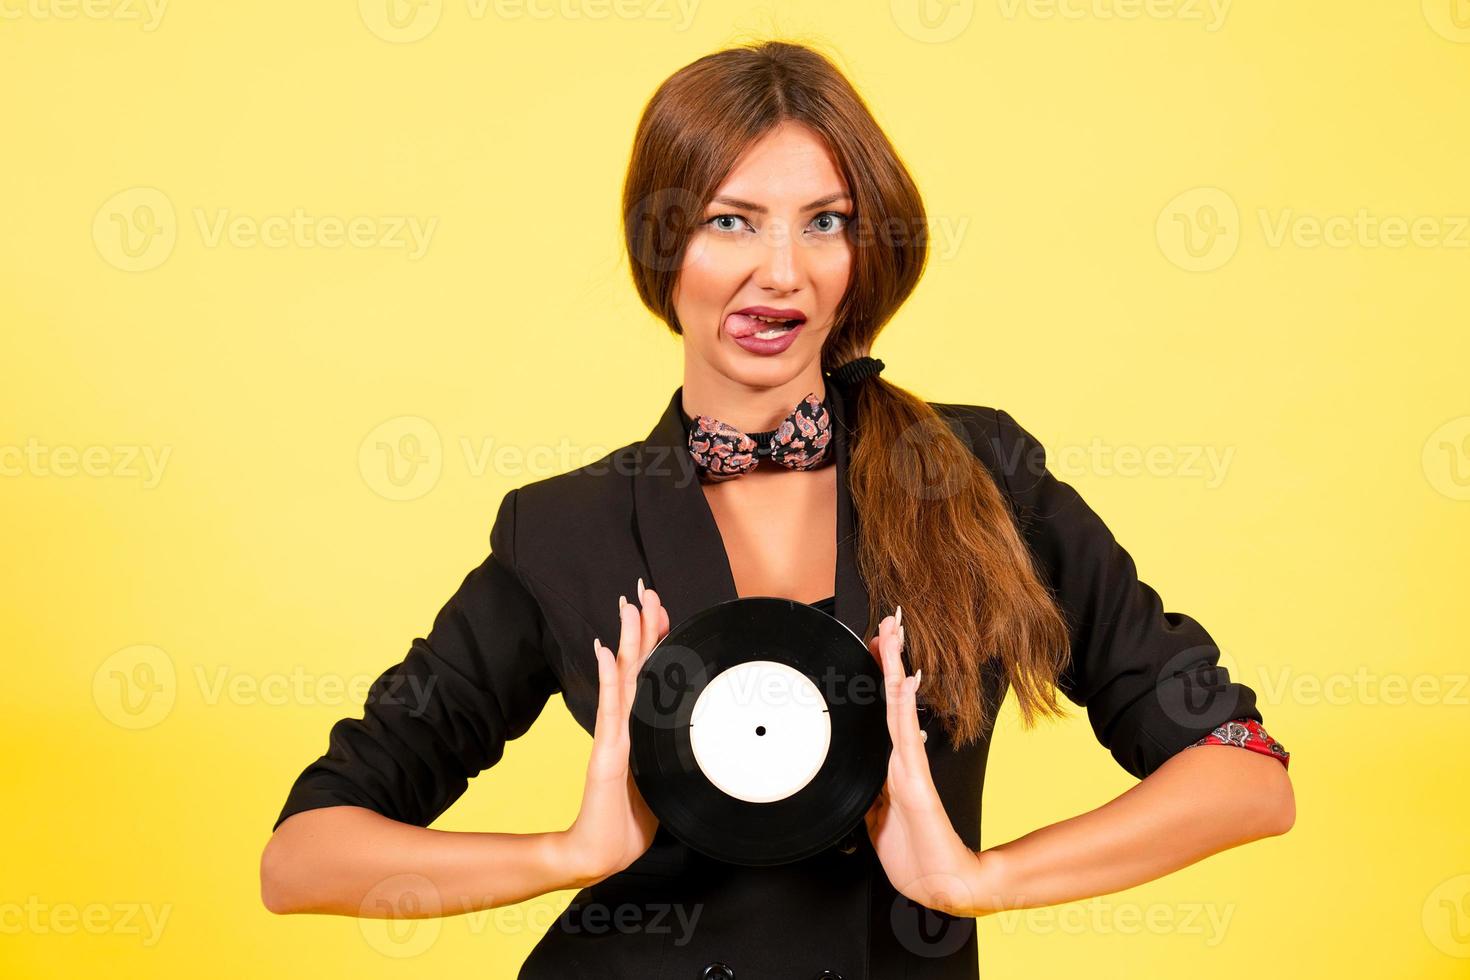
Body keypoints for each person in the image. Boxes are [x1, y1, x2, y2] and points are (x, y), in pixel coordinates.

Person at [259, 40, 1294, 979]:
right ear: (664, 246)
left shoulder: (978, 473)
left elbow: (1244, 772)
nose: (783, 273)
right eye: (730, 220)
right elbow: (302, 854)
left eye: (825, 222)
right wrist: (566, 853)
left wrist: (981, 878)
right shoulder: (561, 528)